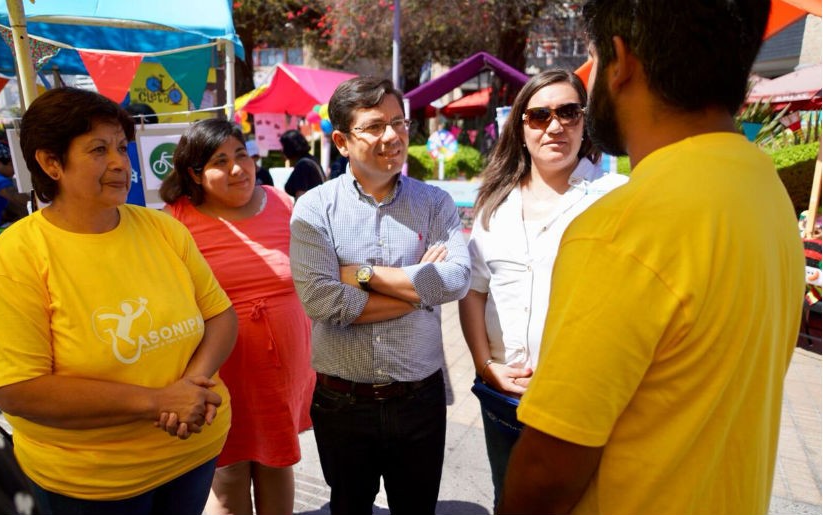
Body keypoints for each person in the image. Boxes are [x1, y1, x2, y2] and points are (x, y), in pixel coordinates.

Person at [499, 1, 806, 514]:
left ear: (622, 63)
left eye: (593, 60)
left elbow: (548, 470)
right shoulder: (765, 189)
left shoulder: (621, 230)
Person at [0, 87, 238, 515]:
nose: (119, 162)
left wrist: (192, 384)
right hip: (92, 485)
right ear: (50, 162)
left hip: (193, 451)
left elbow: (221, 316)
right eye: (98, 149)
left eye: (121, 147)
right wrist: (157, 402)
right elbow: (18, 390)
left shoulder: (163, 229)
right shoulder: (16, 256)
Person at [289, 76, 471, 515]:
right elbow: (323, 302)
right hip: (342, 401)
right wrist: (418, 290)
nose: (392, 136)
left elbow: (457, 278)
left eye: (398, 122)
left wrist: (365, 275)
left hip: (419, 397)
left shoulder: (434, 202)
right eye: (374, 126)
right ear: (342, 140)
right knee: (349, 507)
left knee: (417, 507)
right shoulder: (314, 208)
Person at [458, 69, 627, 507]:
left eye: (569, 112)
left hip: (579, 402)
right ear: (521, 126)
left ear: (585, 120)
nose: (555, 126)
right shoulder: (494, 205)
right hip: (504, 397)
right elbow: (474, 291)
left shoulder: (611, 200)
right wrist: (483, 364)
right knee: (509, 501)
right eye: (540, 115)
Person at [160, 119, 315, 515]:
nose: (236, 168)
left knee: (278, 460)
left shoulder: (281, 202)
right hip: (218, 370)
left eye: (241, 155)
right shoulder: (175, 218)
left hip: (283, 370)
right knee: (227, 476)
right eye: (220, 160)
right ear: (195, 173)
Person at [280, 129, 324, 199]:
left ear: (290, 147)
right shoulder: (312, 160)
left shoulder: (303, 166)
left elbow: (301, 197)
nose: (281, 150)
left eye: (283, 146)